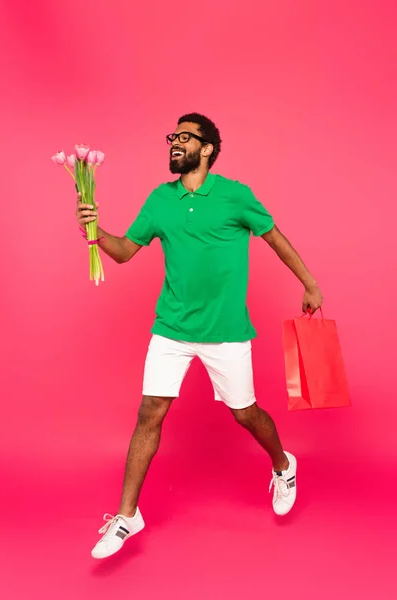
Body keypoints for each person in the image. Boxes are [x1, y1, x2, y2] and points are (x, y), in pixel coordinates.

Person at [76, 113, 323, 560]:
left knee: (245, 414)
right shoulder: (160, 199)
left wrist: (309, 282)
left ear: (206, 148)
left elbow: (275, 238)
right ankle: (127, 516)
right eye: (172, 136)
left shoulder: (235, 195)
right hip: (171, 328)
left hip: (225, 331)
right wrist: (94, 232)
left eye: (184, 137)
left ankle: (284, 466)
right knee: (149, 413)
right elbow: (126, 252)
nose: (174, 143)